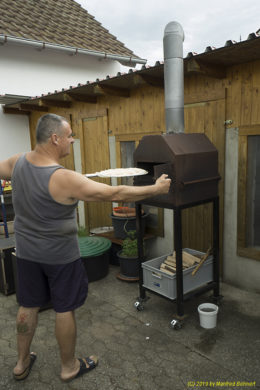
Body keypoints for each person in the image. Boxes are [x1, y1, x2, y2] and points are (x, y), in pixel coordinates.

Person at [0, 113, 171, 382]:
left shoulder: (17, 162)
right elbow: (115, 193)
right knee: (64, 308)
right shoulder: (64, 178)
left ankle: (20, 364)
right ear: (55, 138)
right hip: (60, 257)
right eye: (69, 135)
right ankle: (68, 367)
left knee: (28, 305)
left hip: (26, 254)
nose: (72, 140)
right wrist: (156, 188)